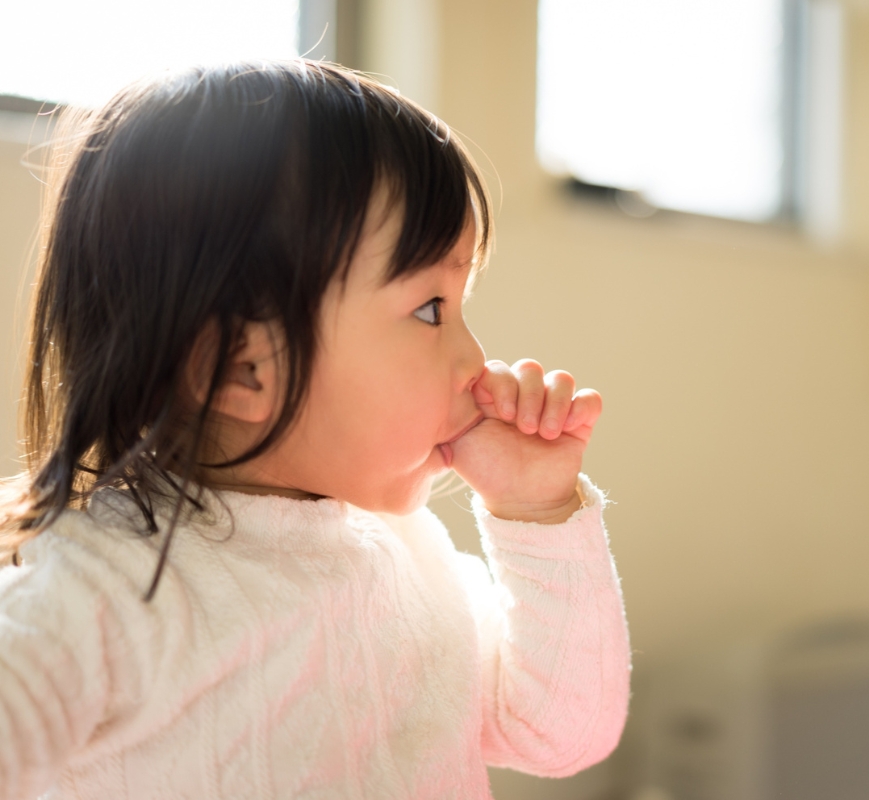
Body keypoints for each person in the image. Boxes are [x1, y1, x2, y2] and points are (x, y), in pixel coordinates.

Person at [0, 60, 629, 799]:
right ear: (241, 367)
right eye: (430, 308)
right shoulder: (103, 584)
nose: (475, 358)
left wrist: (538, 511)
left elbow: (563, 731)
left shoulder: (405, 556)